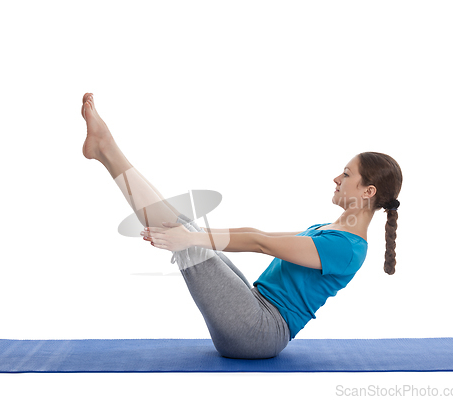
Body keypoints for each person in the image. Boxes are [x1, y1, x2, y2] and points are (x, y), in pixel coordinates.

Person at [80, 93, 403, 359]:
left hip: (259, 332)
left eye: (346, 174)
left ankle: (107, 148)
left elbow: (260, 244)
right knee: (188, 232)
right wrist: (190, 235)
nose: (336, 178)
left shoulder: (345, 248)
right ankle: (105, 150)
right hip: (255, 312)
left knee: (190, 239)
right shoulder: (330, 231)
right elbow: (257, 235)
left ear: (367, 191)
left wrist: (189, 237)